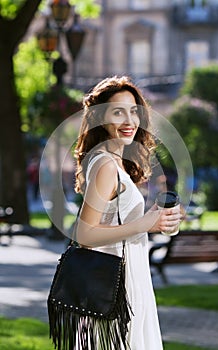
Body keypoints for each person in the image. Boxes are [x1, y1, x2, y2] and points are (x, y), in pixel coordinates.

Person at [74, 75, 182, 349]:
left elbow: (119, 222)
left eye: (134, 111)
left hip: (128, 277)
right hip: (114, 286)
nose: (129, 120)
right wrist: (146, 224)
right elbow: (84, 233)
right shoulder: (106, 165)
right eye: (118, 112)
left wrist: (160, 220)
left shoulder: (116, 163)